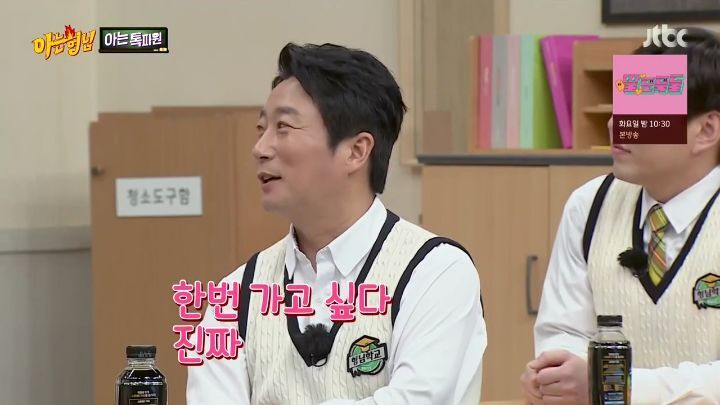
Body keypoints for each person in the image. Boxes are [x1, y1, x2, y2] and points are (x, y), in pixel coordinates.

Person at [186, 42, 486, 405]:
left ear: (356, 151)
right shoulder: (236, 294)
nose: (260, 148)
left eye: (283, 127)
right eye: (261, 129)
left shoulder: (435, 271)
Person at [520, 28, 720, 404]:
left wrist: (614, 385)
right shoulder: (589, 205)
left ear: (706, 130)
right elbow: (563, 332)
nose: (616, 124)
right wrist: (557, 374)